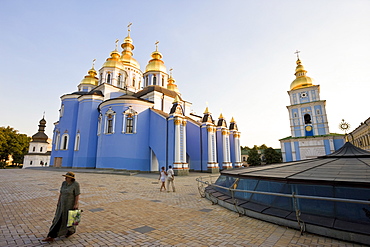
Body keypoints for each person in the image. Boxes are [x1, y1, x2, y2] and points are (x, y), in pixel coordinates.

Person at [42, 172, 80, 242]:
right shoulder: (64, 183)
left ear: (71, 178)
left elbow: (77, 195)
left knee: (71, 220)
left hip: (70, 204)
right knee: (58, 219)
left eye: (67, 177)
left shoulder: (76, 184)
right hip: (62, 204)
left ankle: (70, 231)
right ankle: (51, 236)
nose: (65, 178)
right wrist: (59, 202)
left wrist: (76, 204)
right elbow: (61, 193)